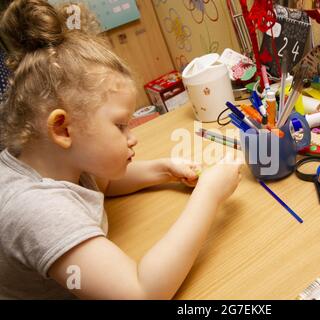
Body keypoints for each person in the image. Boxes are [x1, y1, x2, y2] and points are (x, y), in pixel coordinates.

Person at [0, 0, 242, 299]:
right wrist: (210, 194)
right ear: (62, 128)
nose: (133, 137)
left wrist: (162, 170)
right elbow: (141, 293)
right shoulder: (38, 211)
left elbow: (102, 182)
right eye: (120, 126)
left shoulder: (54, 156)